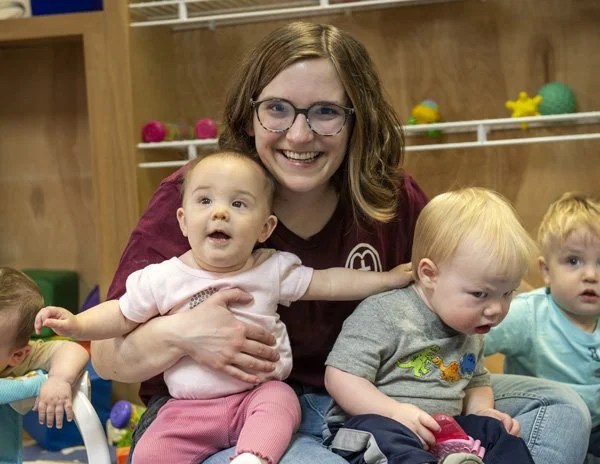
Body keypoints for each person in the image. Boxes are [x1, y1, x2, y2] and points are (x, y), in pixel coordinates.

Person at [89, 21, 591, 464]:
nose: (300, 134)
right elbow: (108, 358)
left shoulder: (392, 196)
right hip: (219, 415)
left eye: (326, 111)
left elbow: (466, 288)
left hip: (385, 396)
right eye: (277, 109)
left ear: (357, 119)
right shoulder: (201, 197)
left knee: (562, 409)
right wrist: (182, 334)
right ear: (248, 115)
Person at [36, 150, 413, 464]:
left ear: (264, 228)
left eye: (237, 204)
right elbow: (120, 313)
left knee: (282, 402)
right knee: (150, 453)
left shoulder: (270, 268)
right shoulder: (164, 277)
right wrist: (76, 324)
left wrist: (387, 279)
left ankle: (252, 457)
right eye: (205, 201)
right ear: (183, 221)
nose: (220, 213)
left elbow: (329, 282)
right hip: (186, 409)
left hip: (257, 395)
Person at [323, 188, 537, 464]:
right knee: (391, 439)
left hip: (441, 432)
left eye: (508, 293)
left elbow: (476, 382)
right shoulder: (384, 313)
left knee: (496, 433)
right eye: (480, 294)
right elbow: (340, 376)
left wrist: (483, 413)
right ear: (429, 275)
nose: (496, 309)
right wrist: (394, 412)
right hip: (369, 426)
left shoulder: (471, 324)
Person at [485, 192, 600, 462]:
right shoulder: (529, 314)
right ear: (546, 270)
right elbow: (472, 342)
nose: (591, 275)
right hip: (547, 426)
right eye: (573, 261)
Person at [0, 267, 89, 428]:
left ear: (17, 356)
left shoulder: (25, 358)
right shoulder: (9, 354)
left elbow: (73, 350)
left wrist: (59, 379)